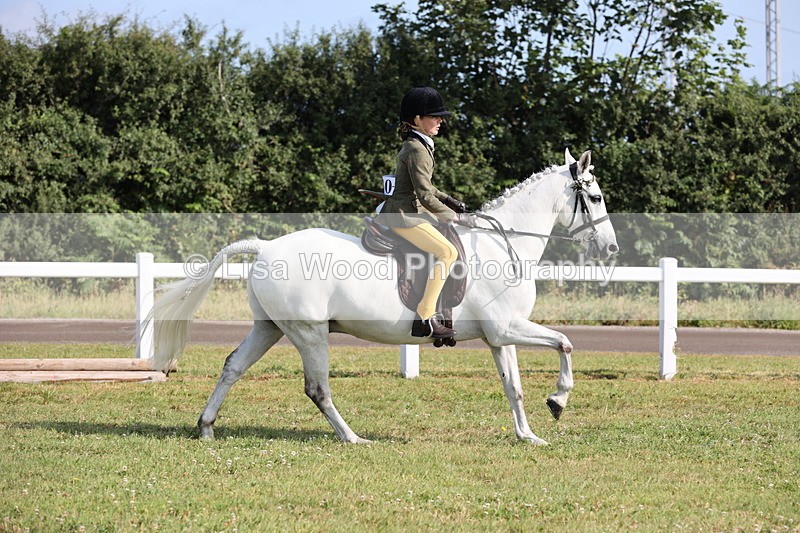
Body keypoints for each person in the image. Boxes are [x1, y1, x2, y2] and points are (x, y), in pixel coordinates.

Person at [375, 87, 476, 339]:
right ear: (417, 120)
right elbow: (424, 196)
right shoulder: (417, 149)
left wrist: (451, 200)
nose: (440, 121)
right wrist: (455, 217)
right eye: (435, 116)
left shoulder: (420, 144)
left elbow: (430, 188)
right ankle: (424, 317)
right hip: (403, 215)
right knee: (447, 252)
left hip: (411, 212)